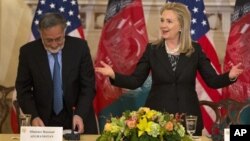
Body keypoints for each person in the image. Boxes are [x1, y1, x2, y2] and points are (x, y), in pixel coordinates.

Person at [95, 2, 243, 135]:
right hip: (158, 120)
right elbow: (135, 81)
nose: (163, 25)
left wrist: (230, 75)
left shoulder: (195, 50)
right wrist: (113, 75)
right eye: (162, 20)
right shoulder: (152, 49)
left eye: (169, 21)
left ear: (181, 26)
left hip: (188, 119)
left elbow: (212, 81)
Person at [15, 12, 97, 134]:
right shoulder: (28, 53)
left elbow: (88, 86)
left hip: (77, 115)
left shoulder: (80, 48)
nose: (54, 45)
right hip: (42, 120)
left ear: (64, 32)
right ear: (40, 34)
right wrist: (34, 116)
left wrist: (80, 114)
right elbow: (23, 90)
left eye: (58, 39)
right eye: (48, 40)